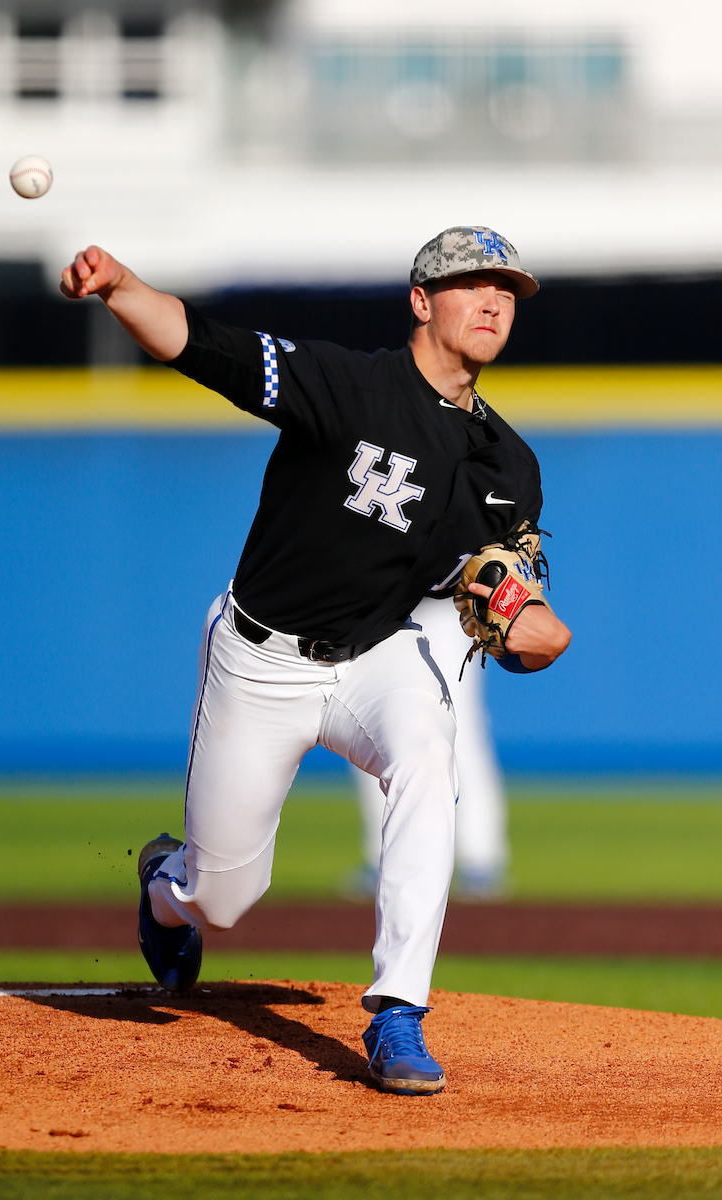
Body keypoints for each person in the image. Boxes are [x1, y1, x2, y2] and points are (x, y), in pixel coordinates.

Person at [60, 226, 571, 1097]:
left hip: (381, 655)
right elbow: (201, 345)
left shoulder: (509, 465)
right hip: (262, 659)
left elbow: (506, 609)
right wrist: (120, 287)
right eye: (472, 284)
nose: (492, 301)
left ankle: (397, 1014)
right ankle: (163, 887)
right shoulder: (347, 384)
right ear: (421, 300)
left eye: (506, 290)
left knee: (425, 762)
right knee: (222, 899)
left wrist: (539, 639)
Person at [350, 602, 508, 901]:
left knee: (459, 732)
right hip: (378, 611)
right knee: (375, 732)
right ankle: (381, 857)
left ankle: (481, 859)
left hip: (444, 612)